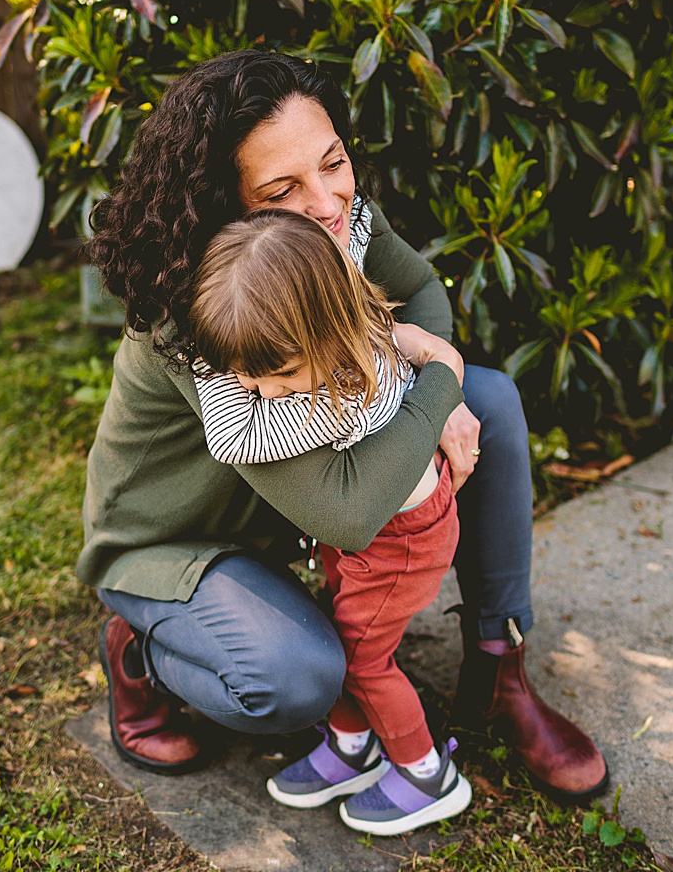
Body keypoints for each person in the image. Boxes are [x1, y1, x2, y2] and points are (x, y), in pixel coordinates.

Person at [80, 48, 608, 800]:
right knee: (298, 677)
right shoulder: (206, 309)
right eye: (283, 188)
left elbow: (422, 292)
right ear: (224, 204)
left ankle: (500, 666)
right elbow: (351, 512)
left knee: (492, 401)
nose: (327, 201)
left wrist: (449, 390)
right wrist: (437, 387)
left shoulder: (334, 221)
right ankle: (142, 652)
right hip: (180, 539)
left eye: (333, 162)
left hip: (286, 503)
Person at [189, 209, 470, 834]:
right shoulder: (352, 324)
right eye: (244, 375)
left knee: (364, 659)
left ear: (325, 332)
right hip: (379, 532)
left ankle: (426, 773)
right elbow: (357, 228)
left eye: (276, 375)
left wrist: (205, 366)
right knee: (340, 635)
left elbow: (234, 438)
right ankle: (352, 746)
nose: (262, 393)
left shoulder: (341, 401)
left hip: (402, 543)